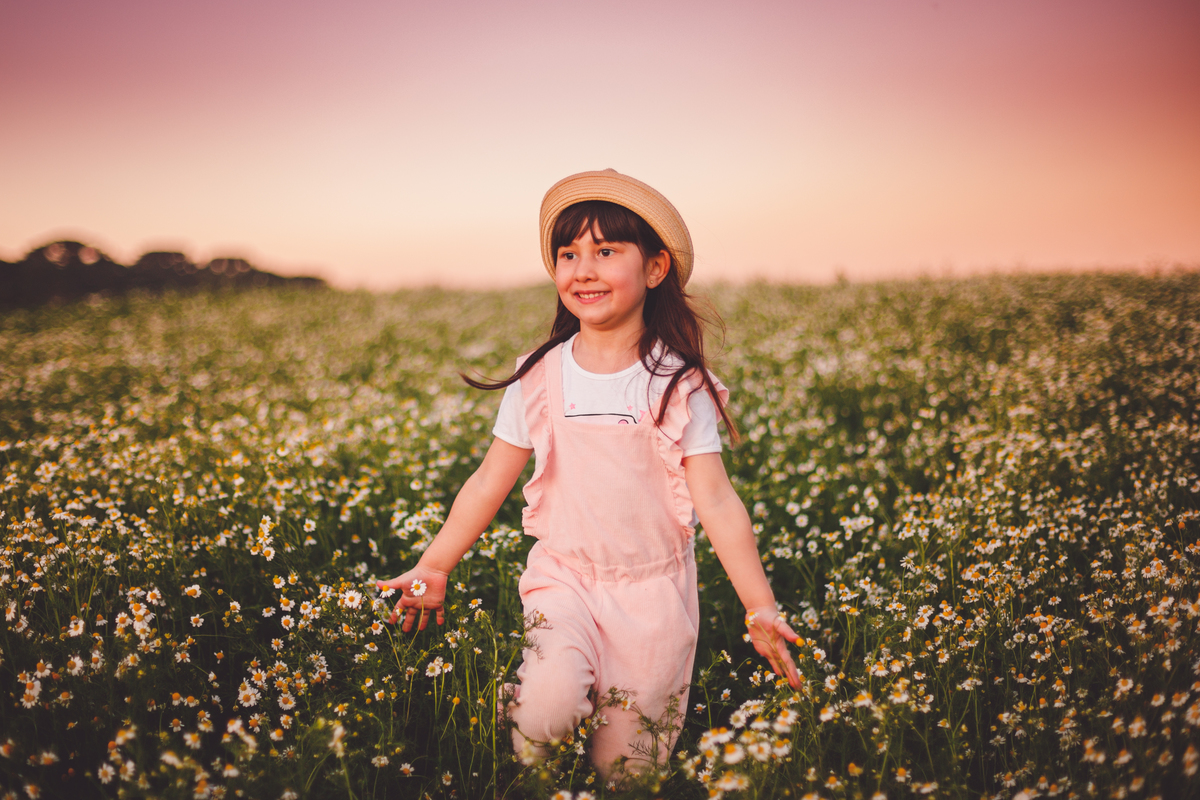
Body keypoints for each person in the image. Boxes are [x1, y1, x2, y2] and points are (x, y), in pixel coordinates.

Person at [377, 169, 800, 778]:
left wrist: (759, 607)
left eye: (606, 252)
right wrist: (436, 564)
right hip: (564, 579)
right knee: (546, 716)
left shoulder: (678, 384)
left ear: (655, 269)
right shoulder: (539, 376)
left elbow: (717, 500)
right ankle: (526, 732)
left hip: (654, 596)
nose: (583, 269)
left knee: (629, 773)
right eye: (568, 254)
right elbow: (487, 481)